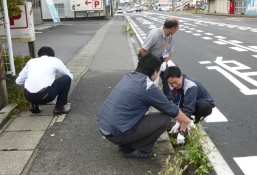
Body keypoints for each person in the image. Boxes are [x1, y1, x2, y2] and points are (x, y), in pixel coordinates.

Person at [97, 53, 195, 159]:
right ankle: (137, 148)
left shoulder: (129, 76)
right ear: (154, 71)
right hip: (116, 133)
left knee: (138, 114)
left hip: (104, 126)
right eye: (158, 71)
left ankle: (125, 143)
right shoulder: (148, 86)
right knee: (164, 120)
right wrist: (190, 122)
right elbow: (171, 109)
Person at [16, 46, 73, 116]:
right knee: (66, 79)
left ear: (39, 55)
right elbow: (70, 76)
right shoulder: (55, 60)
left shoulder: (31, 62)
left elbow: (18, 81)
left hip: (28, 95)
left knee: (32, 83)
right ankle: (59, 108)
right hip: (45, 96)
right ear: (52, 55)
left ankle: (34, 106)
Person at [164, 66, 215, 134]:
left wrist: (182, 131)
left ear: (181, 75)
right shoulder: (172, 85)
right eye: (171, 83)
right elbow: (176, 103)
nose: (174, 85)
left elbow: (188, 109)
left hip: (200, 104)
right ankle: (187, 122)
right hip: (187, 103)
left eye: (175, 82)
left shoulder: (190, 86)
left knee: (203, 107)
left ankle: (195, 121)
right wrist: (177, 123)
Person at [139, 17, 180, 100]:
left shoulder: (170, 37)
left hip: (160, 58)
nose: (177, 29)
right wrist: (152, 63)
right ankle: (145, 98)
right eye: (177, 27)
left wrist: (165, 62)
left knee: (167, 76)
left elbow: (169, 52)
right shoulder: (155, 35)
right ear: (173, 28)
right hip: (147, 58)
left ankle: (168, 99)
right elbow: (142, 50)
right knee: (147, 79)